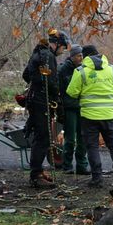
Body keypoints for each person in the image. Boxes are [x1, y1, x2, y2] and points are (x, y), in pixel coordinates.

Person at [66, 45, 113, 187]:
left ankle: (97, 178)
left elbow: (72, 92)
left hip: (89, 116)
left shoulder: (80, 71)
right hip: (108, 115)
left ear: (86, 56)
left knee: (92, 146)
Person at [22, 28, 68, 187]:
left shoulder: (38, 53)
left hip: (35, 100)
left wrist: (37, 81)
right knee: (43, 137)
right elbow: (53, 83)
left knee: (41, 137)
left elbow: (25, 75)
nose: (62, 51)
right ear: (58, 44)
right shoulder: (47, 56)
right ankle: (36, 176)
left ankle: (38, 171)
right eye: (63, 48)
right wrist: (57, 100)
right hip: (42, 102)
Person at [57, 44, 90, 175]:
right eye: (78, 55)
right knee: (70, 138)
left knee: (82, 137)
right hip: (69, 108)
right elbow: (59, 89)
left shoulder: (84, 69)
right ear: (72, 57)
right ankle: (67, 166)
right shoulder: (63, 70)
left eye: (82, 55)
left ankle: (82, 165)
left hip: (82, 107)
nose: (81, 57)